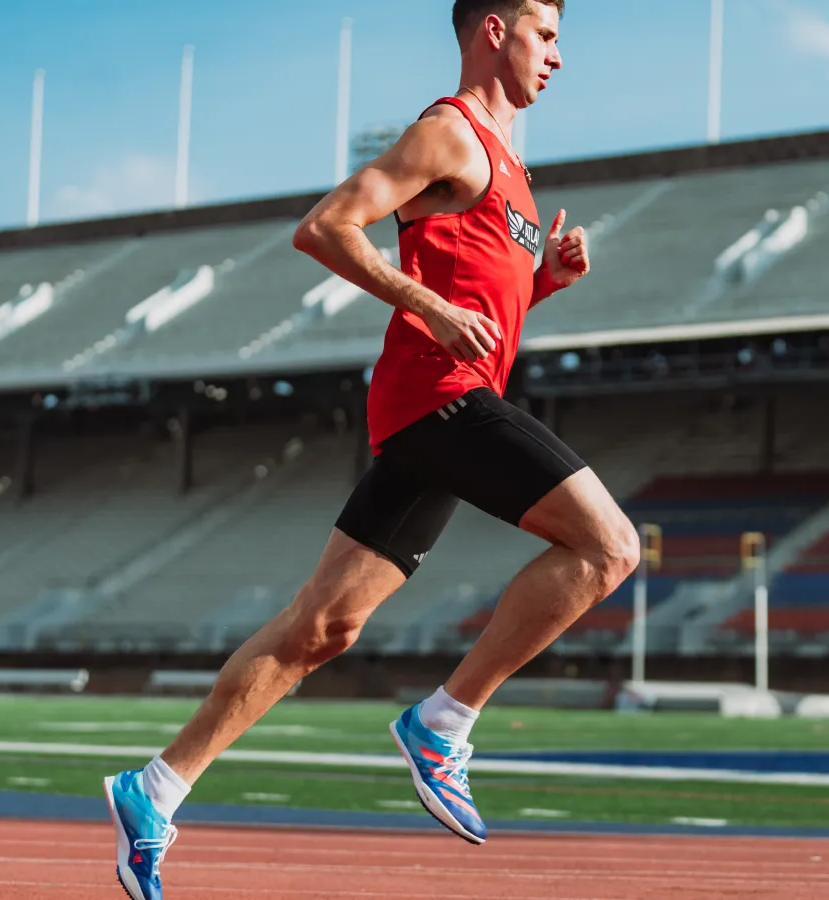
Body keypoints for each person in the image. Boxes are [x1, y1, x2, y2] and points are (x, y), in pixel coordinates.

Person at [103, 2, 640, 896]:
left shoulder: (514, 170)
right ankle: (445, 723)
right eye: (547, 35)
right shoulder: (449, 135)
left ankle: (154, 789)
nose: (559, 57)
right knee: (609, 546)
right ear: (495, 30)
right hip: (441, 404)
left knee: (323, 627)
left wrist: (544, 283)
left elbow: (484, 318)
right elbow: (324, 227)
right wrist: (425, 305)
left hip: (439, 406)